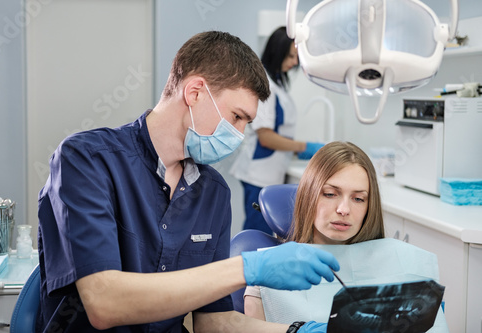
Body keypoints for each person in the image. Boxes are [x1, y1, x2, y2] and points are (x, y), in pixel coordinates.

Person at [36, 30, 340, 333]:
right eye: (236, 117)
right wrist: (246, 268)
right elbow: (105, 303)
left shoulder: (214, 192)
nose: (239, 134)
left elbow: (213, 321)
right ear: (195, 92)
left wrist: (297, 331)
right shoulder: (87, 160)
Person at [244, 141, 385, 320]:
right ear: (308, 195)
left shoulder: (388, 268)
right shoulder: (265, 280)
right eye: (330, 194)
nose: (344, 209)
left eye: (358, 198)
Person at [230, 26, 324, 234]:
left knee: (264, 234)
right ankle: (246, 267)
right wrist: (304, 147)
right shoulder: (266, 86)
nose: (294, 62)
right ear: (277, 51)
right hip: (258, 174)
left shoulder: (275, 84)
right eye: (290, 56)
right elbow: (266, 137)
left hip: (267, 172)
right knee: (257, 235)